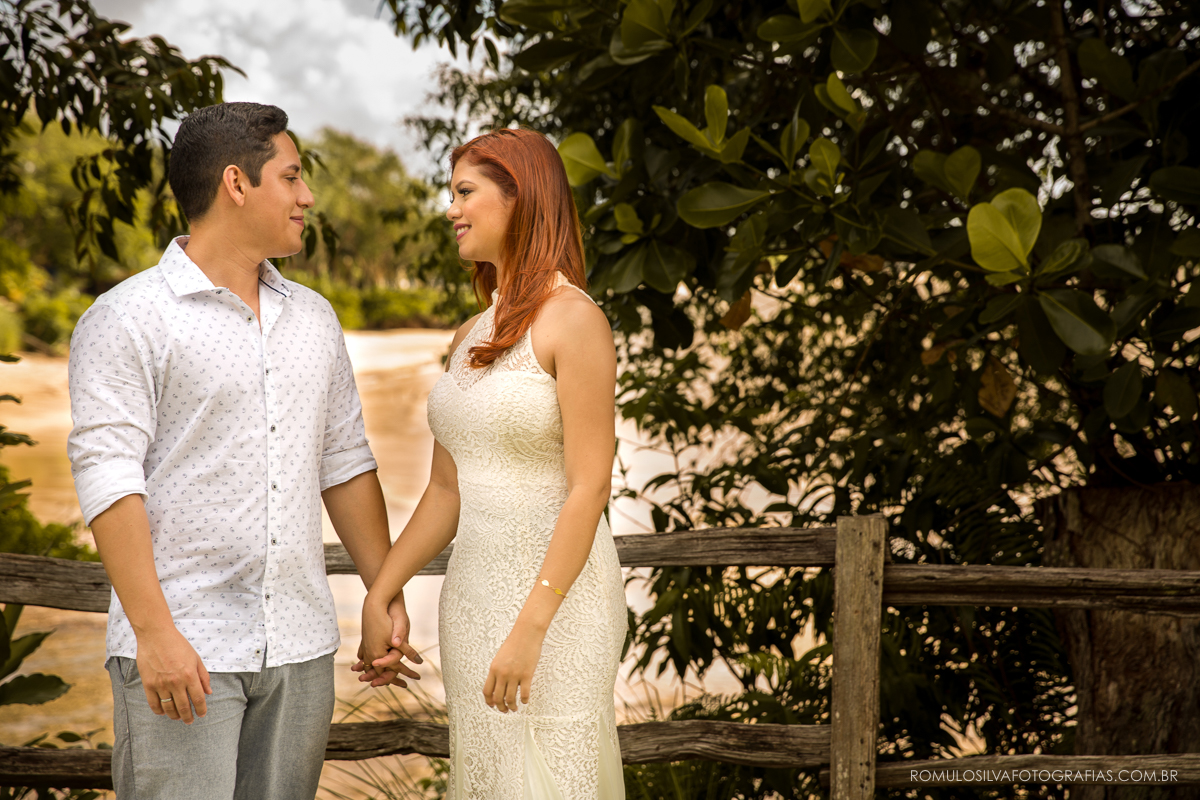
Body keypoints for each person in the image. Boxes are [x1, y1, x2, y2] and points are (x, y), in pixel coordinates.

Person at [67, 101, 418, 800]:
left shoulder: (314, 318)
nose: (306, 196)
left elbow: (344, 462)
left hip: (300, 645)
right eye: (291, 178)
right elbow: (109, 480)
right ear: (236, 183)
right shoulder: (126, 319)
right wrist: (153, 634)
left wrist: (384, 593)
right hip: (183, 647)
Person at [355, 128, 627, 799]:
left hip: (557, 608)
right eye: (452, 194)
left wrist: (531, 627)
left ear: (521, 199)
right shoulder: (468, 336)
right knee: (490, 777)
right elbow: (446, 488)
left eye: (465, 192)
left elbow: (589, 487)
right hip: (473, 602)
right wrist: (380, 590)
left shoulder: (575, 320)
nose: (451, 209)